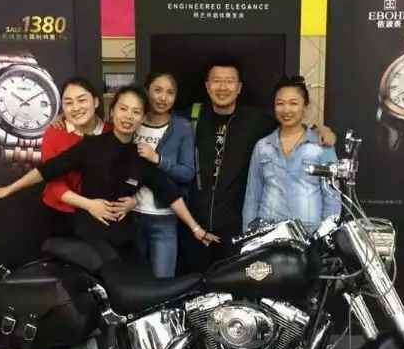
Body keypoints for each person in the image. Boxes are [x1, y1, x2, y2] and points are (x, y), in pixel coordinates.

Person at [0, 85, 217, 265]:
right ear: (112, 111)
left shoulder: (140, 156)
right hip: (89, 239)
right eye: (123, 109)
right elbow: (48, 170)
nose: (128, 116)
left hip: (124, 238)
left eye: (136, 112)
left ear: (142, 118)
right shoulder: (90, 145)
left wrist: (196, 229)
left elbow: (169, 192)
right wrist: (9, 189)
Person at [181, 57, 336, 272]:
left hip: (283, 234)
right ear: (207, 86)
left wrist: (321, 129)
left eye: (229, 81)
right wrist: (250, 236)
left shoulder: (257, 122)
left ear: (239, 87)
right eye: (217, 81)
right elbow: (254, 194)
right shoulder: (190, 118)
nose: (223, 87)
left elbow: (332, 196)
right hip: (203, 228)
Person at [243, 76, 340, 233]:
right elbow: (252, 197)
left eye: (293, 103)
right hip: (267, 234)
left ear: (305, 106)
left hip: (309, 235)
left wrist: (324, 236)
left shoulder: (322, 145)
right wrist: (248, 235)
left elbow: (332, 197)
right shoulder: (263, 147)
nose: (286, 110)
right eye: (280, 103)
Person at [40, 77, 121, 236]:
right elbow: (54, 184)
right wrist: (89, 205)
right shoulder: (54, 133)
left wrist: (131, 201)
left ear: (96, 102)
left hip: (103, 213)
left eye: (82, 100)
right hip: (62, 214)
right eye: (68, 103)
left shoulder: (112, 133)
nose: (76, 107)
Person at [132, 72, 195, 278]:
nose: (163, 97)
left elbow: (187, 173)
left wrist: (158, 159)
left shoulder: (182, 128)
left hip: (164, 219)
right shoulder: (133, 120)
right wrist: (62, 117)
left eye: (170, 92)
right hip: (130, 216)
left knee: (163, 284)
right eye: (157, 90)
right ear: (146, 91)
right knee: (133, 282)